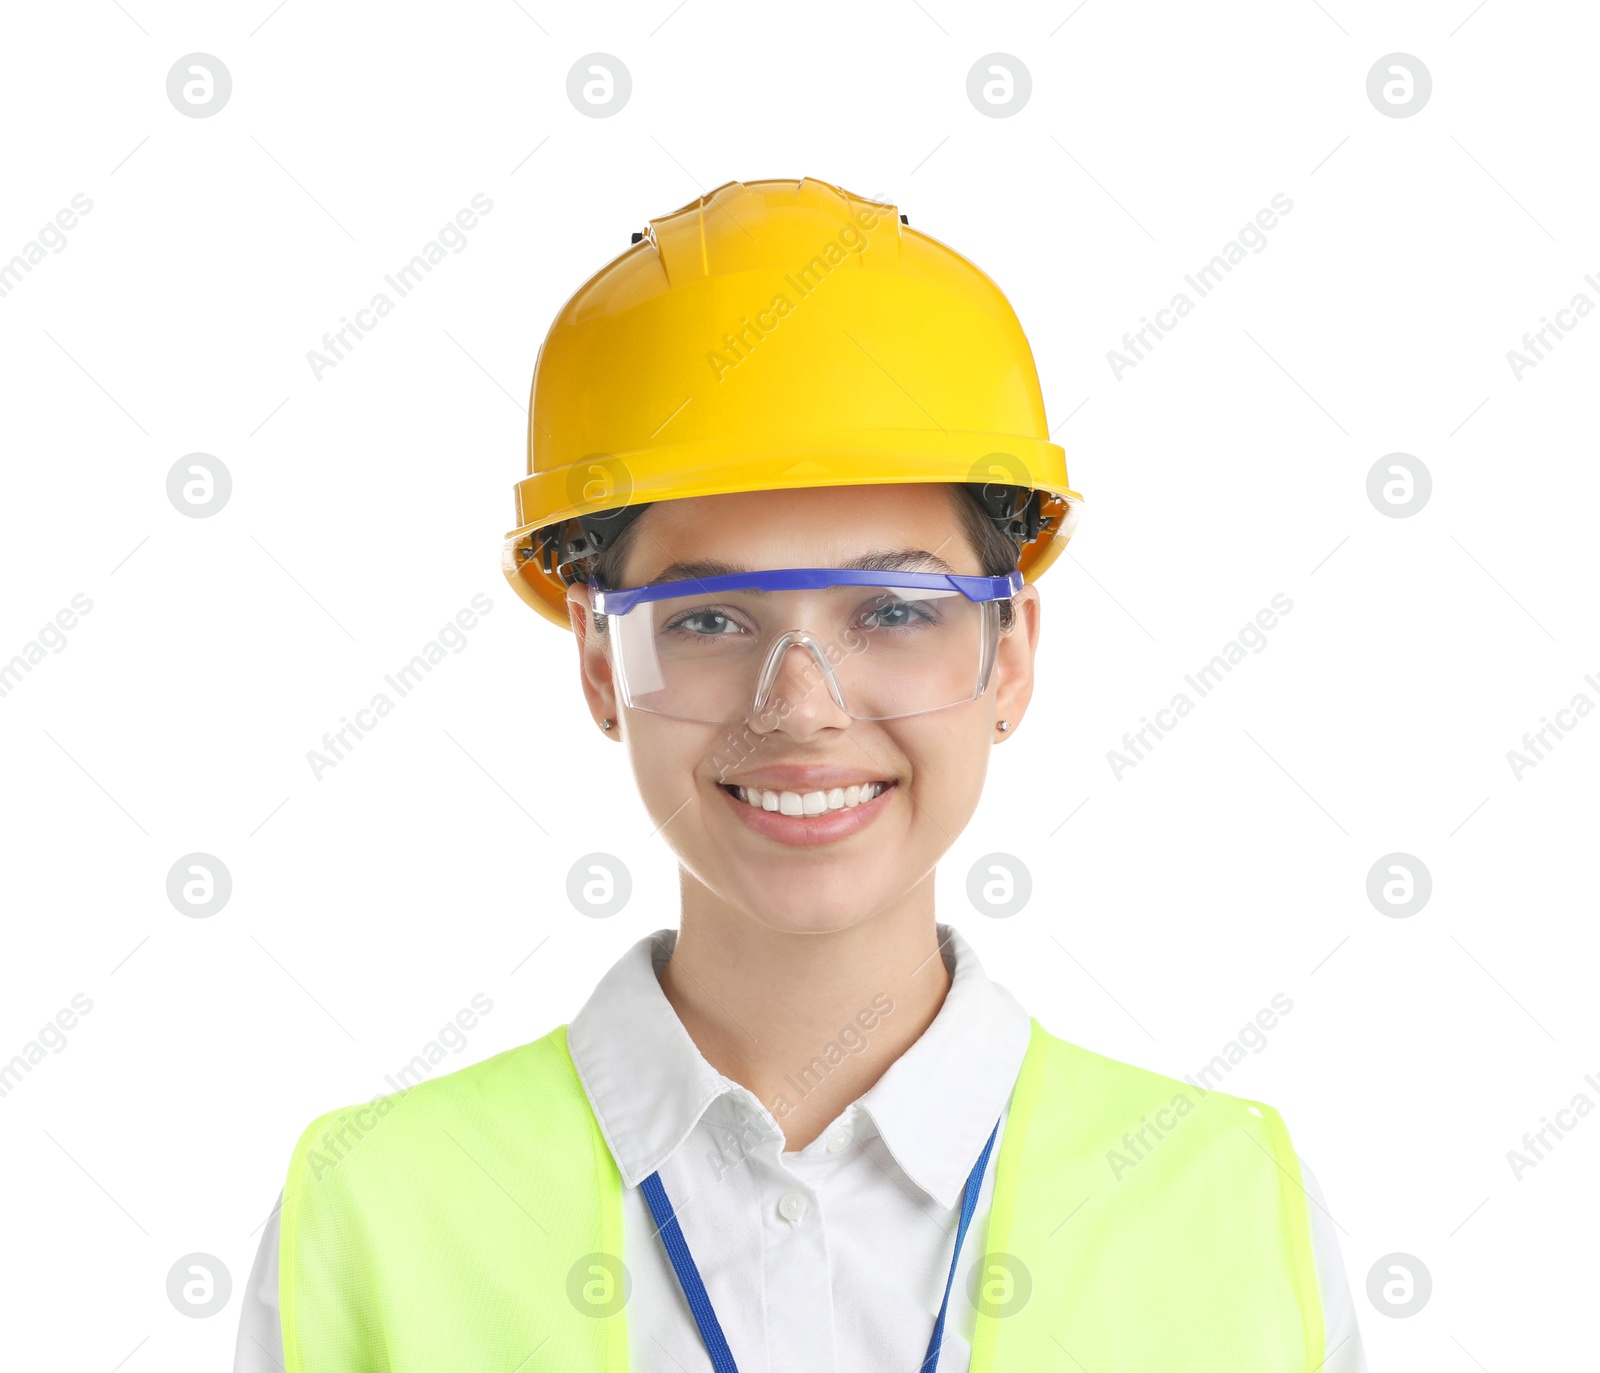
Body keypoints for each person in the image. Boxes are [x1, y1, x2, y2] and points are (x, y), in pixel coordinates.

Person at [235, 177, 1366, 1372]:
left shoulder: (1230, 1209)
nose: (802, 707)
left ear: (1011, 653)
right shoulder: (379, 1212)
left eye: (892, 608)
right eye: (709, 618)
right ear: (599, 660)